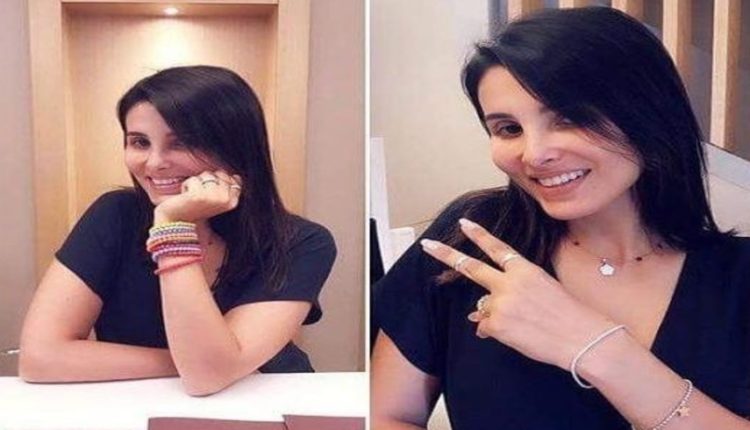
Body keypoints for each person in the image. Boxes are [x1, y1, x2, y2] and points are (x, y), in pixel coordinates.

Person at [371, 7, 750, 430]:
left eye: (570, 119)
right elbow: (388, 415)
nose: (534, 154)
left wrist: (596, 347)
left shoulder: (738, 278)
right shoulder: (472, 240)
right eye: (508, 129)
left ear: (650, 114)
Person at [18, 65, 337, 396]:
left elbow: (206, 379)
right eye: (139, 142)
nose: (154, 162)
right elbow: (40, 358)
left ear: (235, 145)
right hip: (144, 402)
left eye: (181, 142)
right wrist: (198, 363)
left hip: (267, 401)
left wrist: (172, 228)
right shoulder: (115, 215)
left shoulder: (301, 242)